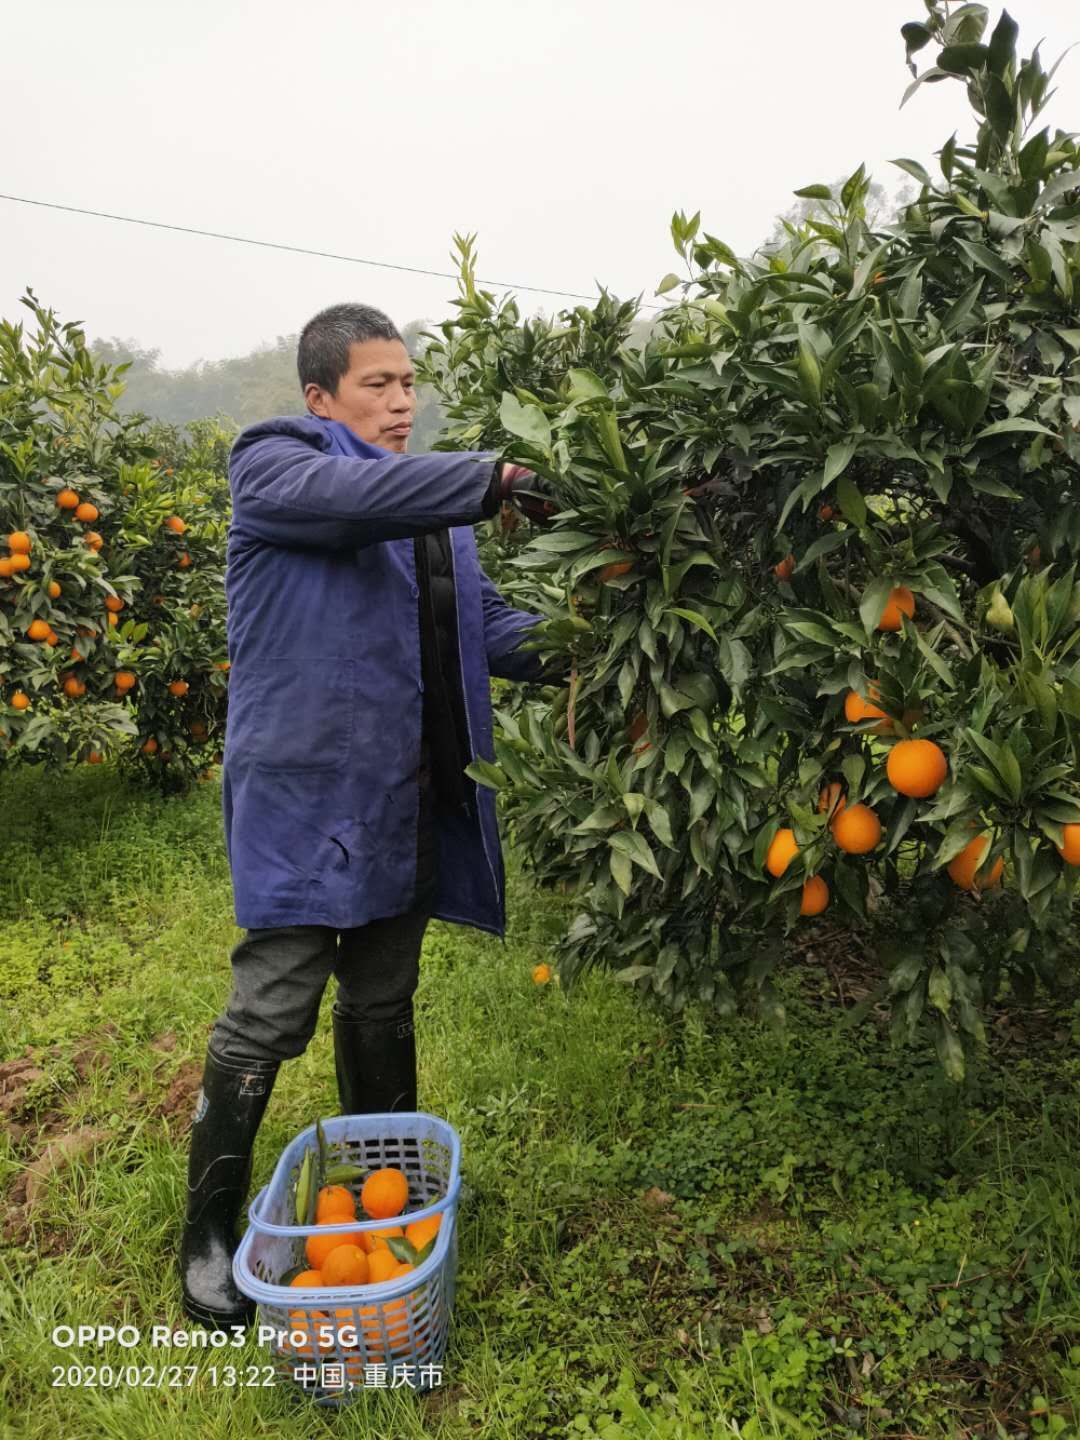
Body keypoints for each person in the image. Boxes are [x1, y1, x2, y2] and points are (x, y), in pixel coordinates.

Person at [180, 302, 562, 1328]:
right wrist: (505, 480)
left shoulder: (426, 515)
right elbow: (349, 496)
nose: (402, 402)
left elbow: (489, 630)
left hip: (399, 790)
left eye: (408, 383)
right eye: (376, 386)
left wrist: (602, 643)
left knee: (384, 994)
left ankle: (376, 1191)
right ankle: (208, 1234)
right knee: (274, 1003)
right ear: (319, 399)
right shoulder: (275, 468)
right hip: (308, 794)